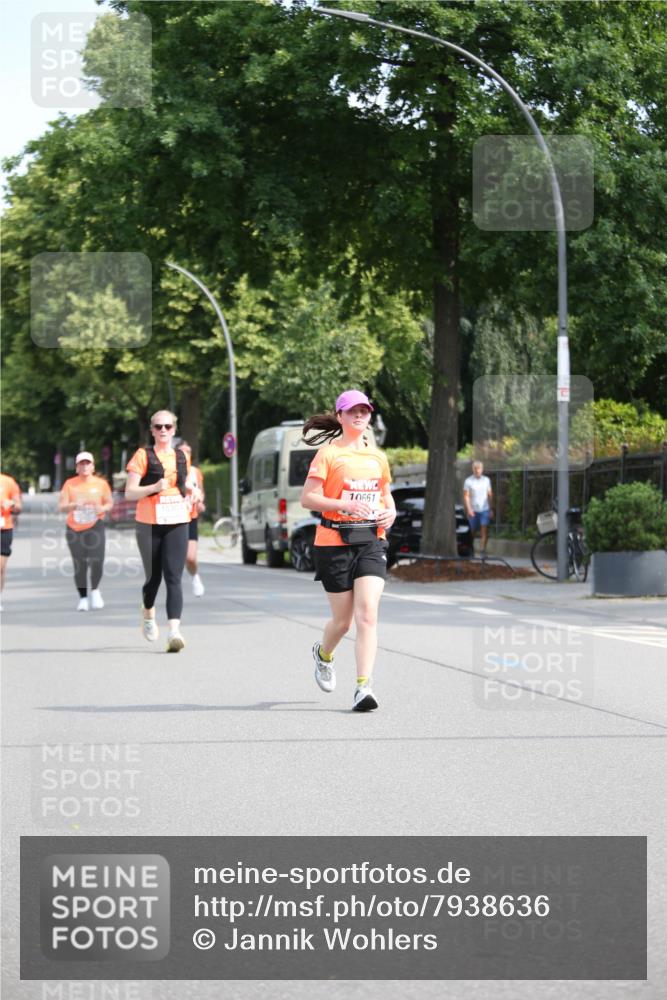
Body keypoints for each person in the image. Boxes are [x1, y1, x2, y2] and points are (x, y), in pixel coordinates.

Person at [300, 390, 396, 712]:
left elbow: (386, 495)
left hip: (371, 540)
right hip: (333, 542)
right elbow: (308, 498)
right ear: (340, 416)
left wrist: (391, 513)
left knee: (367, 614)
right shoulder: (328, 454)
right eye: (352, 411)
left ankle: (363, 688)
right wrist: (343, 504)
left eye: (364, 411)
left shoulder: (377, 457)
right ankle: (323, 654)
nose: (359, 416)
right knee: (342, 623)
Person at [125, 410, 200, 652]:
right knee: (153, 577)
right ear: (152, 430)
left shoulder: (181, 456)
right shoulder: (142, 455)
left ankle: (174, 631)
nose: (163, 430)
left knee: (173, 576)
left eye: (167, 426)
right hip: (149, 523)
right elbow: (129, 492)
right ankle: (148, 611)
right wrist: (154, 486)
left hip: (177, 519)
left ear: (174, 429)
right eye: (158, 427)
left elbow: (184, 483)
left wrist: (193, 490)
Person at [58, 453, 113, 611]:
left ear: (93, 466)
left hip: (95, 524)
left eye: (87, 463)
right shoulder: (70, 484)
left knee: (97, 560)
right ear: (77, 467)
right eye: (81, 464)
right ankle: (83, 597)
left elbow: (109, 503)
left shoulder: (101, 484)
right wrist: (73, 505)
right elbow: (61, 506)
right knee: (79, 563)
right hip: (74, 527)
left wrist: (102, 508)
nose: (84, 466)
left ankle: (95, 590)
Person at [178, 441, 206, 597]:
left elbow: (200, 491)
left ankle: (194, 576)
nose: (186, 454)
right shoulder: (171, 471)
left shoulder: (195, 472)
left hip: (190, 517)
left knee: (191, 558)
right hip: (173, 518)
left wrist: (201, 502)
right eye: (182, 452)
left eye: (188, 452)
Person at [1, 472, 23, 609]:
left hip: (3, 528)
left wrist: (12, 504)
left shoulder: (8, 482)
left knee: (0, 568)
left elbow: (19, 506)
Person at [463, 460, 494, 556]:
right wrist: (469, 509)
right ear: (473, 469)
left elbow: (490, 495)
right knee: (472, 531)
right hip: (473, 510)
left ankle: (482, 551)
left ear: (482, 469)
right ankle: (470, 548)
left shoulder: (486, 480)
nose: (477, 470)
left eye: (479, 468)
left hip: (484, 509)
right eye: (475, 469)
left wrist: (491, 509)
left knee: (484, 529)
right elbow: (466, 496)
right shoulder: (468, 481)